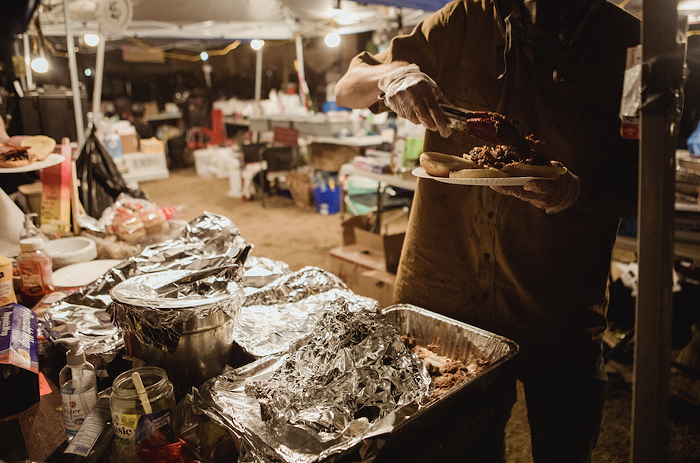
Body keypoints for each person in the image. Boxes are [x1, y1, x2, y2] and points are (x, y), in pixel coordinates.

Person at [335, 0, 640, 462]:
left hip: (556, 301)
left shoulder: (626, 41)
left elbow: (646, 185)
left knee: (565, 445)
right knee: (457, 448)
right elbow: (347, 87)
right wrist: (390, 77)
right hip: (447, 293)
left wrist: (576, 194)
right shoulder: (463, 18)